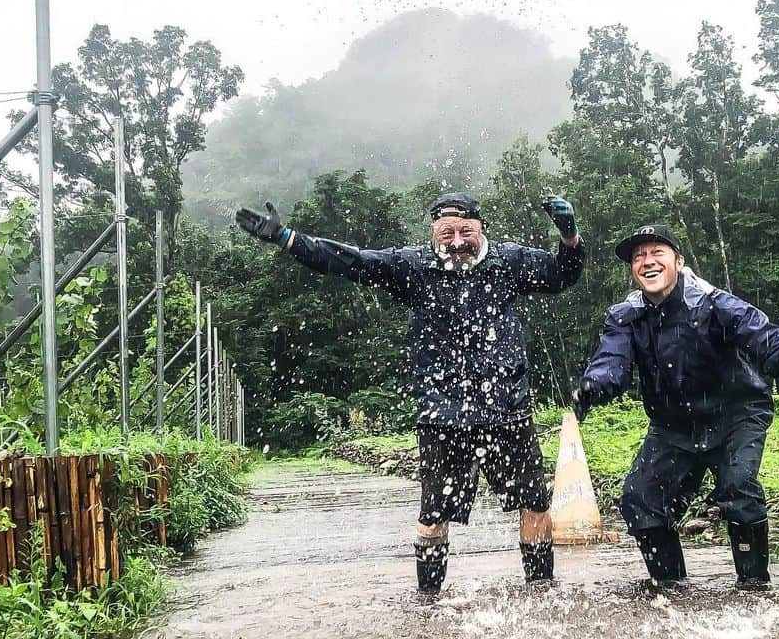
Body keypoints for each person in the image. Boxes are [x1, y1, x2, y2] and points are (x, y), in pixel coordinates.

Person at [236, 192, 585, 592]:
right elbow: (352, 262)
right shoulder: (414, 267)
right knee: (434, 512)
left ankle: (541, 593)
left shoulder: (509, 261)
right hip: (442, 414)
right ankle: (429, 600)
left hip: (506, 407)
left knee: (535, 503)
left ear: (481, 228)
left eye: (465, 231)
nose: (456, 241)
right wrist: (288, 239)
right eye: (446, 233)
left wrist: (569, 235)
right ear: (433, 234)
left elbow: (563, 275)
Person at [572, 225, 779, 589]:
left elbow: (761, 336)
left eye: (657, 252)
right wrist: (594, 386)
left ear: (678, 261)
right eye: (638, 257)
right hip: (673, 426)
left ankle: (754, 589)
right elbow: (612, 360)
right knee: (641, 499)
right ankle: (671, 590)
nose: (647, 262)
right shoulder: (626, 316)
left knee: (738, 488)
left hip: (737, 415)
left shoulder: (713, 302)